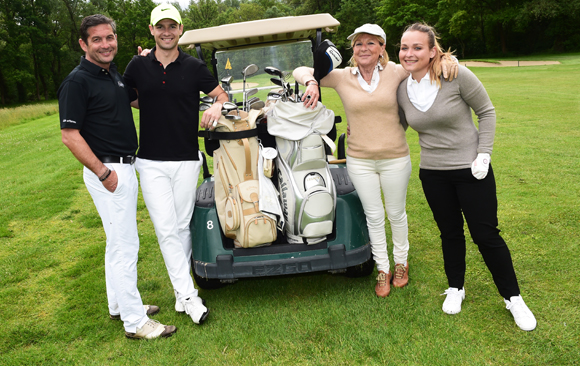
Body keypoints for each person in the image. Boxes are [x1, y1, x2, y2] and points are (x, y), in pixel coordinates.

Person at [294, 24, 456, 297]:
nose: (364, 48)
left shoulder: (396, 71)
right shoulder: (342, 76)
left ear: (382, 47)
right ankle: (383, 268)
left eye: (371, 43)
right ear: (352, 50)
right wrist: (312, 81)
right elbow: (300, 71)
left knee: (396, 214)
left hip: (395, 158)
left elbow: (427, 61)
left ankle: (401, 263)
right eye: (358, 44)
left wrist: (447, 59)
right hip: (360, 160)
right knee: (374, 215)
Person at [396, 23, 537, 331]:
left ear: (433, 50)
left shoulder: (456, 74)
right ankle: (456, 287)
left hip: (472, 169)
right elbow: (396, 124)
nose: (409, 53)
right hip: (433, 173)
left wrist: (483, 153)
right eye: (404, 47)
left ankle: (514, 298)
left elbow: (487, 111)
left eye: (417, 47)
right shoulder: (402, 88)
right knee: (449, 232)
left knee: (486, 235)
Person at [58, 14, 176, 339]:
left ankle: (120, 305)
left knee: (116, 244)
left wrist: (147, 69)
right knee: (126, 245)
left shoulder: (113, 75)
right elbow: (70, 135)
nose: (106, 44)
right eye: (97, 39)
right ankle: (136, 322)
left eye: (109, 37)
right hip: (110, 172)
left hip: (122, 166)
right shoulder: (77, 81)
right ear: (83, 44)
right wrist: (104, 173)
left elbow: (138, 101)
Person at [123, 3, 227, 325]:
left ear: (180, 30)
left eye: (172, 26)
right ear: (152, 31)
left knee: (182, 227)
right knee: (167, 229)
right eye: (160, 27)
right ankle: (191, 298)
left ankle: (180, 295)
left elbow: (220, 95)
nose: (166, 32)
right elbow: (128, 97)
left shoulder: (194, 67)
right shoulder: (137, 66)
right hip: (151, 161)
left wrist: (217, 108)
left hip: (186, 159)